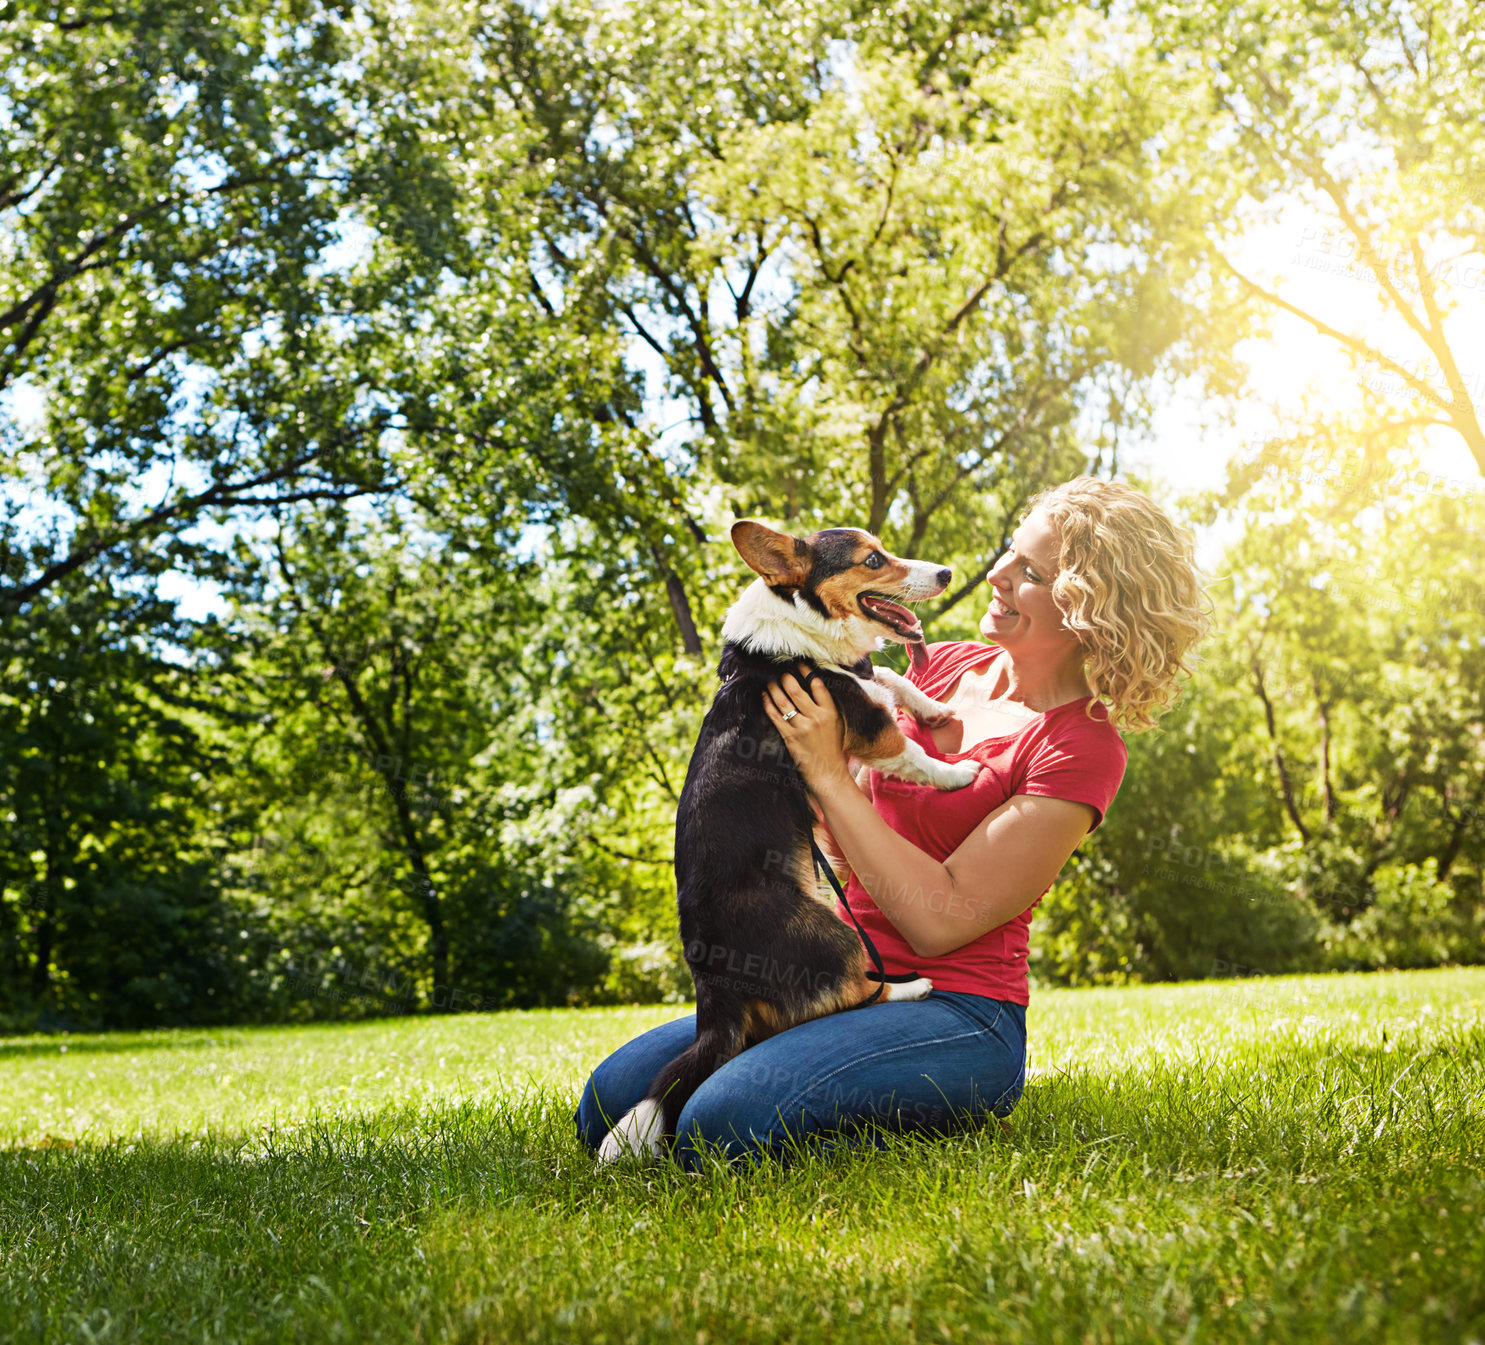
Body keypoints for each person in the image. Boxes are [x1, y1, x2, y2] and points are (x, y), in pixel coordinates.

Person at [576, 477, 1210, 1169]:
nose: (994, 574)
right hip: (825, 979)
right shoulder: (936, 666)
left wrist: (824, 770)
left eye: (1028, 572)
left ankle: (945, 1117)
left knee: (719, 1130)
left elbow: (939, 918)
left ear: (1088, 609)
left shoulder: (1079, 746)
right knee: (606, 1102)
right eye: (1007, 552)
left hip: (958, 1011)